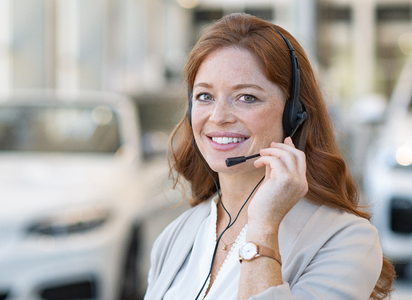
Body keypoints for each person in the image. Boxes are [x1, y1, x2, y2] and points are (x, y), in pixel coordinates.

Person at [144, 13, 395, 300]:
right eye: (205, 96)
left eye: (247, 97)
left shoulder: (346, 240)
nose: (218, 117)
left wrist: (263, 226)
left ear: (294, 115)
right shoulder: (177, 236)